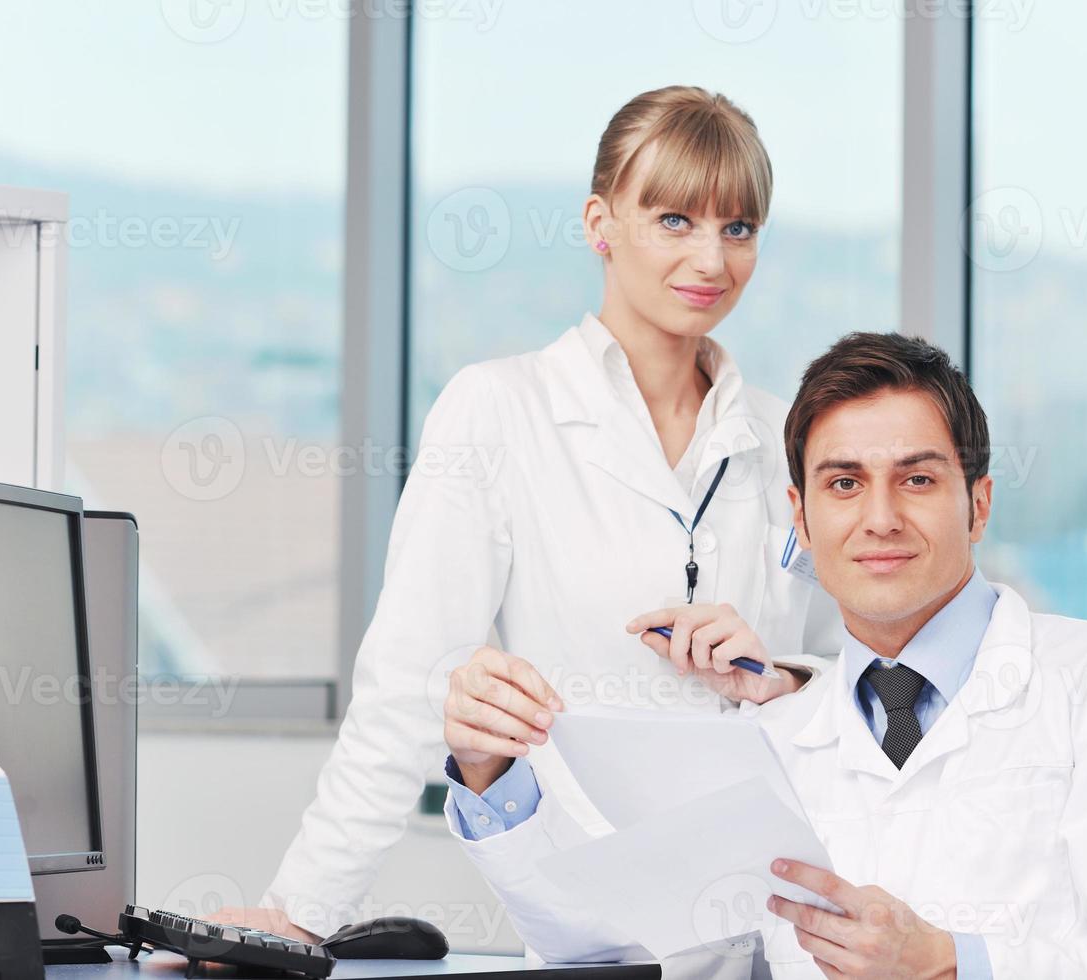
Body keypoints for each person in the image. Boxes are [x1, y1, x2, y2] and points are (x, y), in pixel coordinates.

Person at [214, 86, 843, 940]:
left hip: (778, 910)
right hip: (595, 916)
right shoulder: (498, 411)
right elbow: (407, 684)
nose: (711, 259)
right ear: (600, 223)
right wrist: (298, 915)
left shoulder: (783, 436)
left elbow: (855, 685)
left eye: (738, 228)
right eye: (673, 220)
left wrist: (782, 678)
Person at [444, 332, 1087, 978]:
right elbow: (622, 949)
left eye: (918, 479)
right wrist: (491, 776)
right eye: (844, 484)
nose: (881, 517)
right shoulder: (779, 735)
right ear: (800, 512)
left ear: (980, 502)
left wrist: (955, 964)